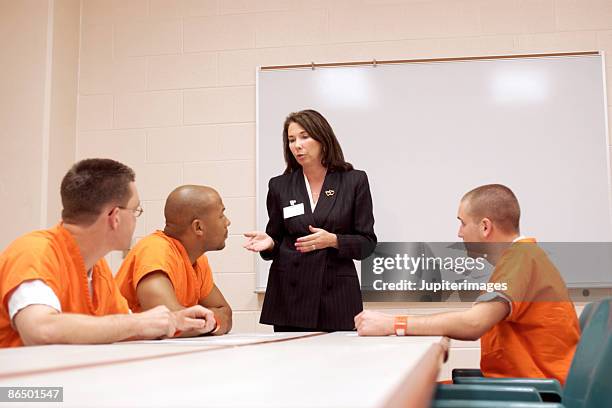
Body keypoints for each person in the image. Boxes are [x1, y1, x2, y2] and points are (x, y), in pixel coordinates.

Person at [355, 184, 580, 384]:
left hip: (534, 392)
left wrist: (394, 324)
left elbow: (474, 324)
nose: (459, 233)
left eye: (462, 223)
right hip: (524, 385)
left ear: (485, 227)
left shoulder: (520, 260)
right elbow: (476, 317)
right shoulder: (522, 258)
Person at [0, 159, 215, 348]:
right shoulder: (34, 252)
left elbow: (120, 326)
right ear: (115, 216)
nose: (136, 220)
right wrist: (140, 322)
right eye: (136, 210)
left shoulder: (97, 268)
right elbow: (40, 330)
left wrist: (175, 321)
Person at [243, 109, 377, 331]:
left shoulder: (353, 181)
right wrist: (270, 243)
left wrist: (333, 240)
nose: (297, 145)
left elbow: (367, 243)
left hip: (336, 295)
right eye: (291, 140)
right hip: (290, 292)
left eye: (304, 137)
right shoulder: (280, 185)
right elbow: (275, 239)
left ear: (322, 138)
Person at [116, 185, 232, 336]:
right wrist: (210, 321)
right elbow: (169, 324)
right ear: (198, 227)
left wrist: (209, 322)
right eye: (221, 215)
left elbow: (226, 313)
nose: (227, 222)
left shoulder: (198, 260)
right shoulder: (155, 250)